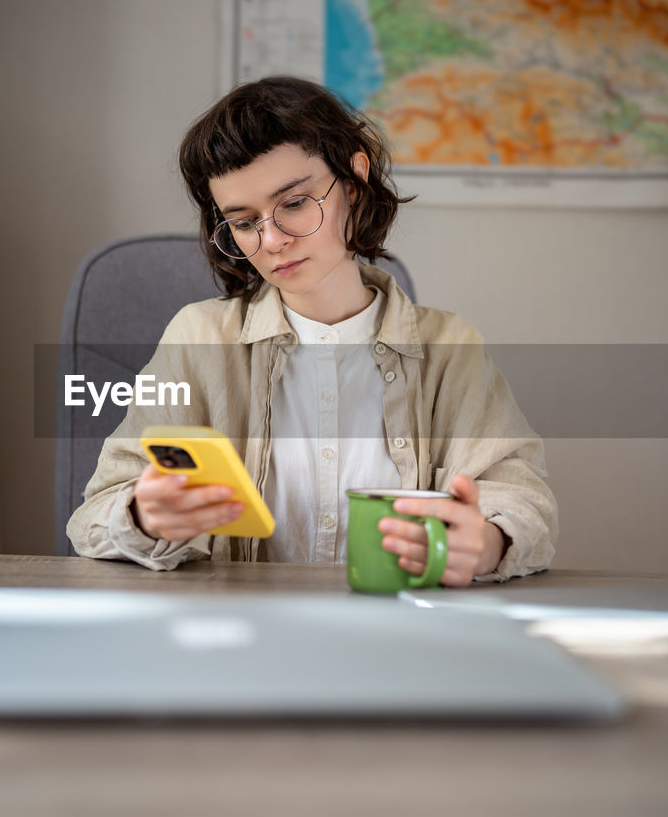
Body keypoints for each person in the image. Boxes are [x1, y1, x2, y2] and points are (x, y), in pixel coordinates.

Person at [67, 76, 556, 586]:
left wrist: (487, 542)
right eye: (243, 221)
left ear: (354, 182)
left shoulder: (449, 349)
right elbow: (94, 517)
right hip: (239, 640)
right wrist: (144, 519)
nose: (272, 240)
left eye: (295, 203)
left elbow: (522, 503)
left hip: (396, 640)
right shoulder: (198, 339)